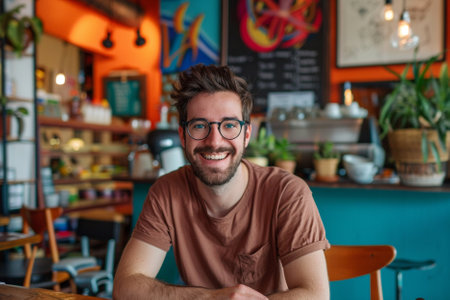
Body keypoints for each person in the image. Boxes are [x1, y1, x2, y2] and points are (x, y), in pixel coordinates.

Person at [113, 64, 330, 299]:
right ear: (183, 136)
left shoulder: (286, 193)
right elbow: (126, 286)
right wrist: (210, 298)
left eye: (229, 125)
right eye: (199, 126)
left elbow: (316, 295)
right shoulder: (166, 192)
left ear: (246, 135)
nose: (214, 141)